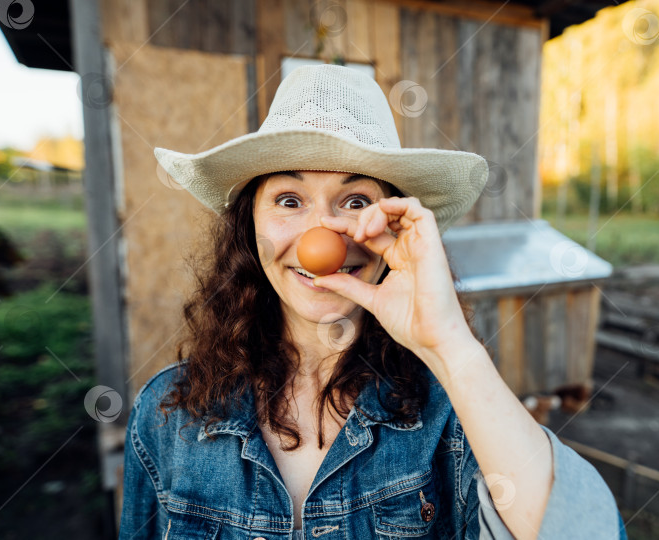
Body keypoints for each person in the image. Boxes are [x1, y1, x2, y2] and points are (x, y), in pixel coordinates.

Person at [119, 64, 628, 540]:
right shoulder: (166, 417)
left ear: (393, 222)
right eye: (290, 201)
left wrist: (449, 344)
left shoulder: (451, 417)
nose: (323, 243)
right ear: (249, 226)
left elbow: (585, 530)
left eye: (357, 202)